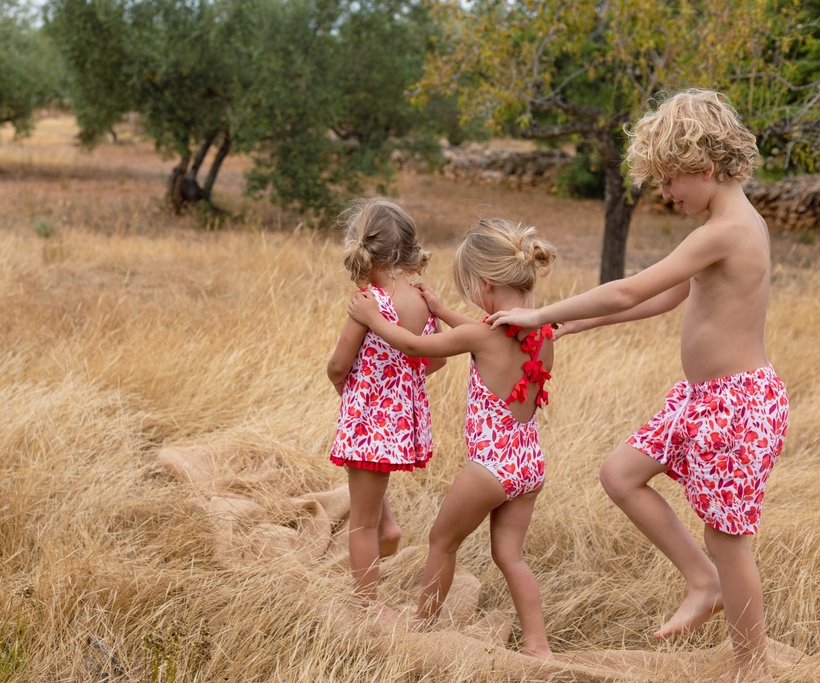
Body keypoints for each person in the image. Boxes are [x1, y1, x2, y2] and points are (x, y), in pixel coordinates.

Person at [486, 89, 789, 681]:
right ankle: (701, 580)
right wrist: (578, 322)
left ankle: (751, 666)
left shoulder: (727, 230)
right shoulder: (721, 227)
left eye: (672, 181)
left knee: (728, 537)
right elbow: (664, 297)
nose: (667, 195)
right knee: (620, 473)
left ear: (704, 167)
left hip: (738, 404)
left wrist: (538, 315)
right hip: (704, 401)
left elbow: (630, 286)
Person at [348, 218, 556, 658]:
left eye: (469, 290)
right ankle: (538, 645)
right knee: (511, 557)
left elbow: (414, 347)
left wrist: (371, 317)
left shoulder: (480, 335)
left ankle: (422, 629)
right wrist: (442, 311)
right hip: (528, 465)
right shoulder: (540, 333)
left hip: (489, 469)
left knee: (442, 542)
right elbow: (487, 337)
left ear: (485, 284)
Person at [327, 197, 445, 611]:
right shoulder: (421, 297)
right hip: (401, 419)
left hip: (368, 417)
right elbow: (437, 357)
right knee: (370, 488)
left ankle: (363, 610)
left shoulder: (368, 303)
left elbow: (339, 365)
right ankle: (390, 526)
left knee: (361, 523)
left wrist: (355, 387)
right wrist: (402, 380)